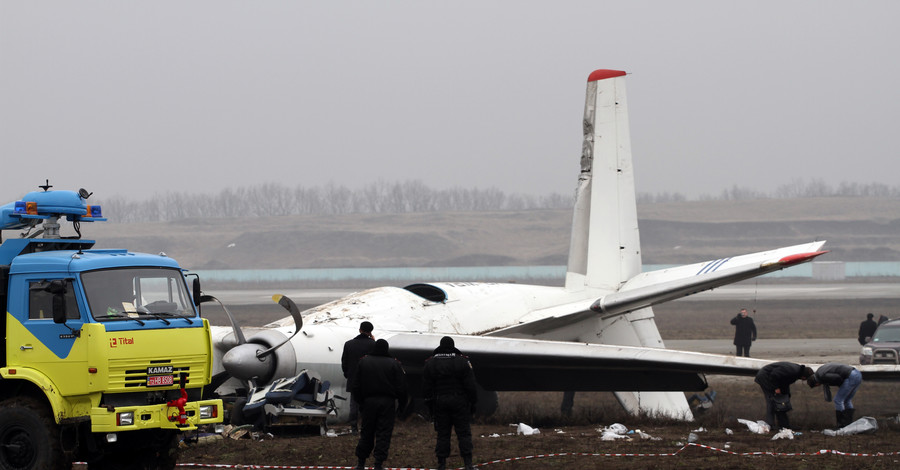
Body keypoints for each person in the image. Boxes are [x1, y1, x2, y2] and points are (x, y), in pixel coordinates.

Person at [351, 339, 407, 470]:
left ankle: (361, 462)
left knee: (366, 432)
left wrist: (361, 402)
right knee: (384, 433)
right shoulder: (394, 364)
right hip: (387, 403)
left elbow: (356, 385)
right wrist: (402, 407)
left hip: (369, 402)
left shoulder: (363, 361)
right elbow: (401, 388)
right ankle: (378, 464)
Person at [423, 336, 478, 470]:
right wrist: (473, 403)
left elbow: (426, 387)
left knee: (443, 433)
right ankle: (468, 464)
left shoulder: (431, 363)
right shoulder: (462, 361)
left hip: (440, 401)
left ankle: (441, 464)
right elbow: (470, 385)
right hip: (459, 401)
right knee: (464, 433)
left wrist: (430, 406)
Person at [754, 361, 813, 431]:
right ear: (804, 377)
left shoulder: (797, 371)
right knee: (771, 401)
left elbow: (785, 382)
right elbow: (774, 374)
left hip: (771, 378)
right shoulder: (793, 371)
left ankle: (784, 425)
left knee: (780, 403)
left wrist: (786, 394)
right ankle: (770, 425)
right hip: (765, 377)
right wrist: (776, 387)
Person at [341, 321, 375, 433]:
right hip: (368, 380)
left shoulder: (348, 344)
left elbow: (344, 362)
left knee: (354, 404)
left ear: (360, 330)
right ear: (370, 332)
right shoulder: (373, 344)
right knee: (367, 404)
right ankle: (365, 426)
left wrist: (348, 374)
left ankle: (354, 427)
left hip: (353, 379)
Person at [807, 362, 862, 428]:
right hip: (857, 374)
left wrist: (842, 386)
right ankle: (848, 423)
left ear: (816, 384)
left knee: (838, 400)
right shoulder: (819, 372)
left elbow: (837, 378)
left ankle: (841, 425)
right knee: (847, 400)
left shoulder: (822, 376)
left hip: (850, 376)